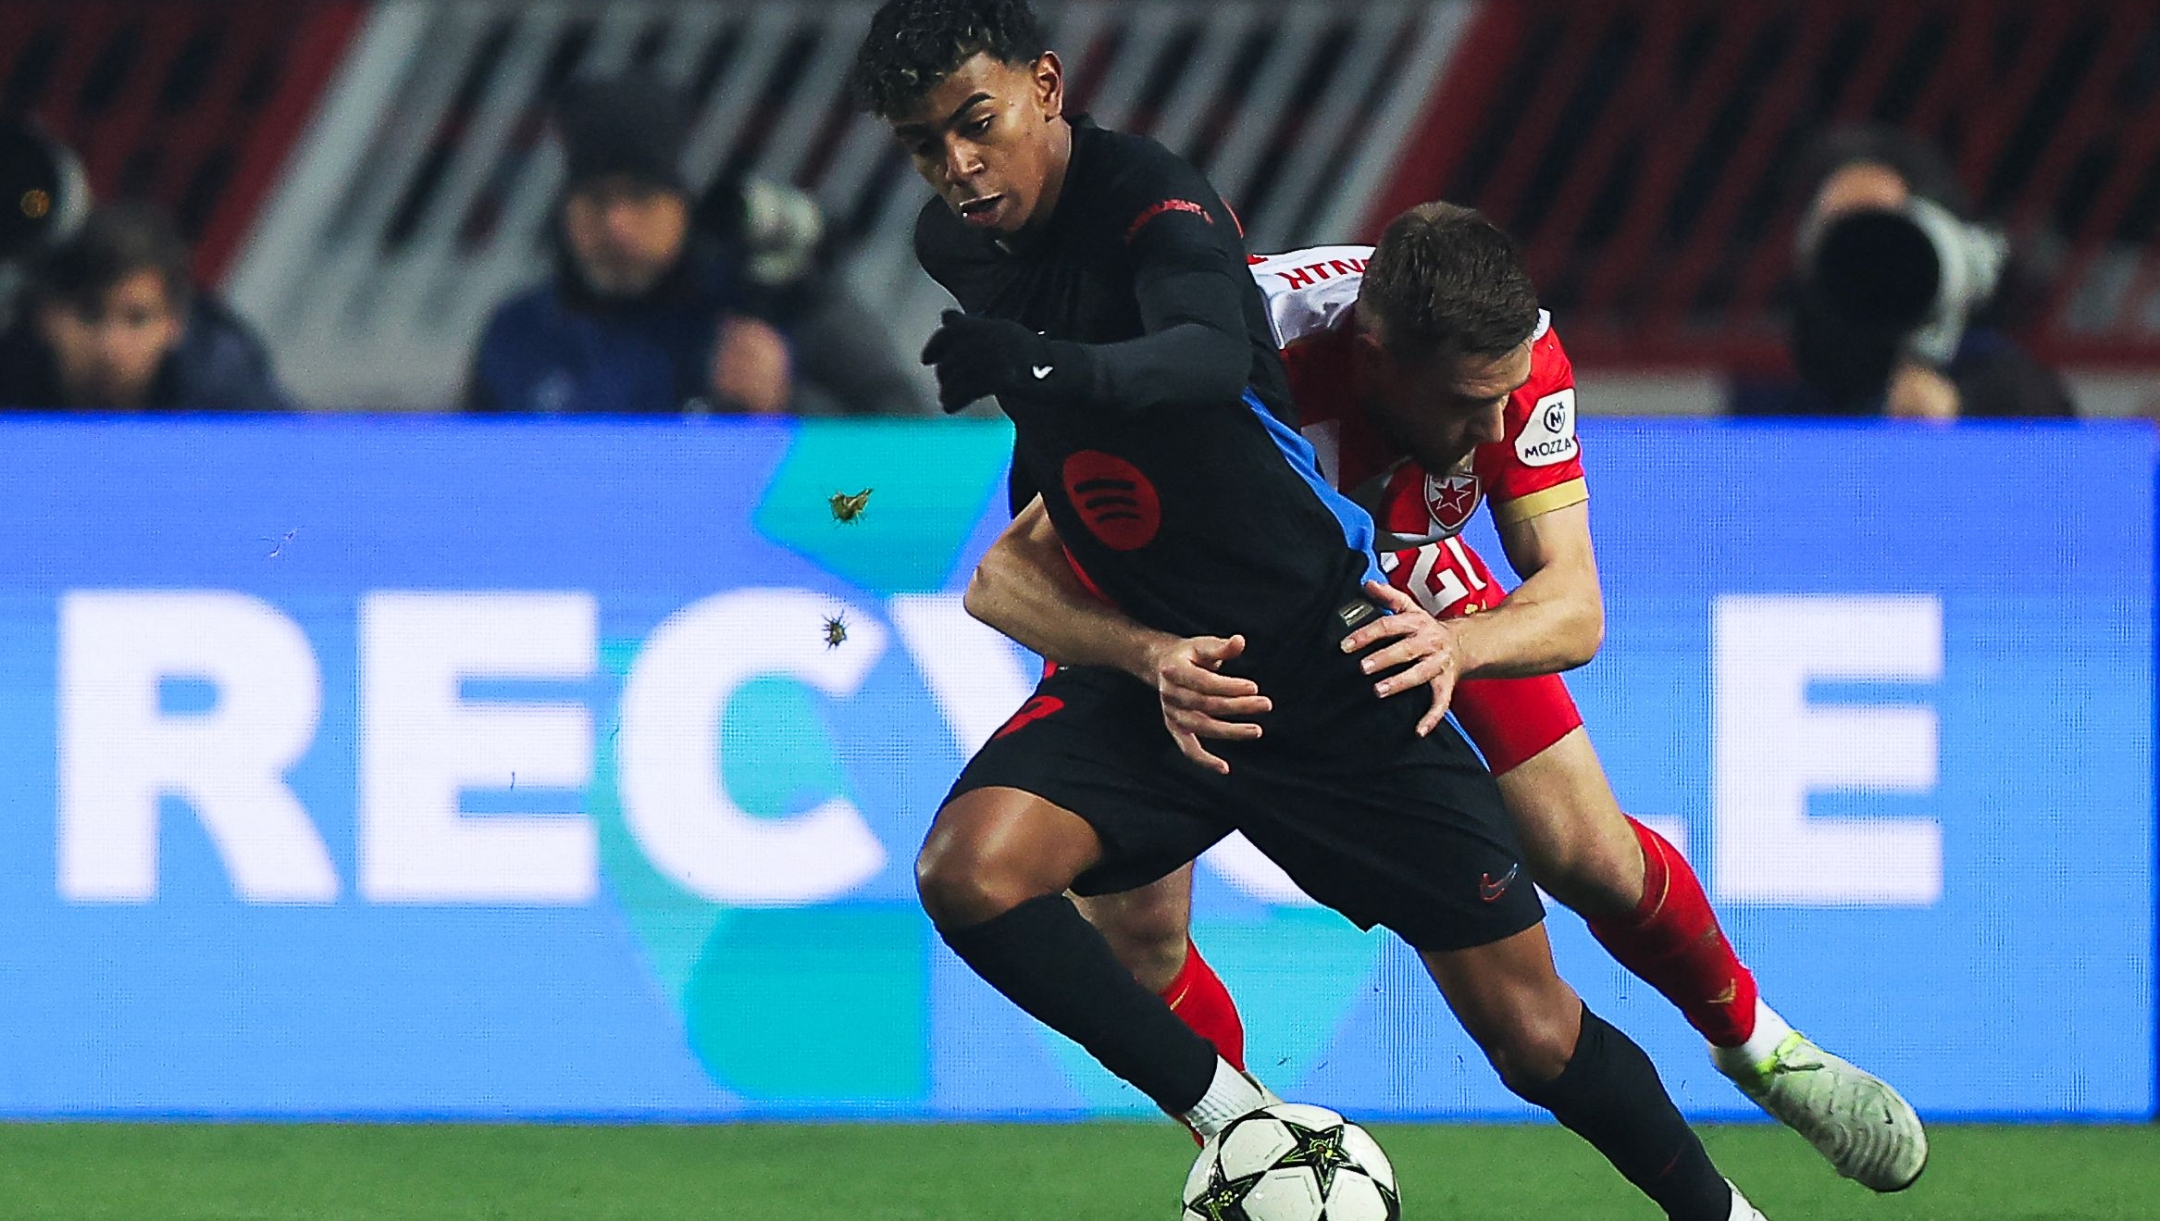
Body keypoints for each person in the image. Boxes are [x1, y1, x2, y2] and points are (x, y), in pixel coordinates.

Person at [852, 2, 1769, 1217]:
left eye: (976, 124)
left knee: (1534, 1034)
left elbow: (1201, 355)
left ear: (1048, 86)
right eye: (925, 145)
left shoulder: (1159, 208)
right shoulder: (962, 248)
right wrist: (1148, 652)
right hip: (1180, 677)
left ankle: (1726, 1211)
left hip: (1330, 665)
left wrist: (1041, 367)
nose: (956, 167)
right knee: (970, 872)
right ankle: (1245, 1130)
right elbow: (1003, 575)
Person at [968, 211, 1929, 1193]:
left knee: (1584, 850)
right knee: (1138, 933)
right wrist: (1145, 655)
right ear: (1378, 359)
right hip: (1195, 585)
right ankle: (1268, 1163)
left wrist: (1454, 642)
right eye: (1473, 403)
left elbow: (1573, 604)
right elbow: (1010, 576)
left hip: (1395, 563)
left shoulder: (1514, 357)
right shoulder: (1220, 371)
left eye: (1509, 394)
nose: (1499, 430)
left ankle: (1760, 1048)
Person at [1731, 124, 2073, 420]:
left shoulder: (2008, 384)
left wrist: (1960, 414)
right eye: (1840, 230)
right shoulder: (1771, 380)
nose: (1863, 253)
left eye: (1882, 227)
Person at [0, 202, 293, 412]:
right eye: (89, 315)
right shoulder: (11, 374)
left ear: (175, 324)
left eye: (137, 319)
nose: (110, 347)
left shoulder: (228, 397)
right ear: (45, 316)